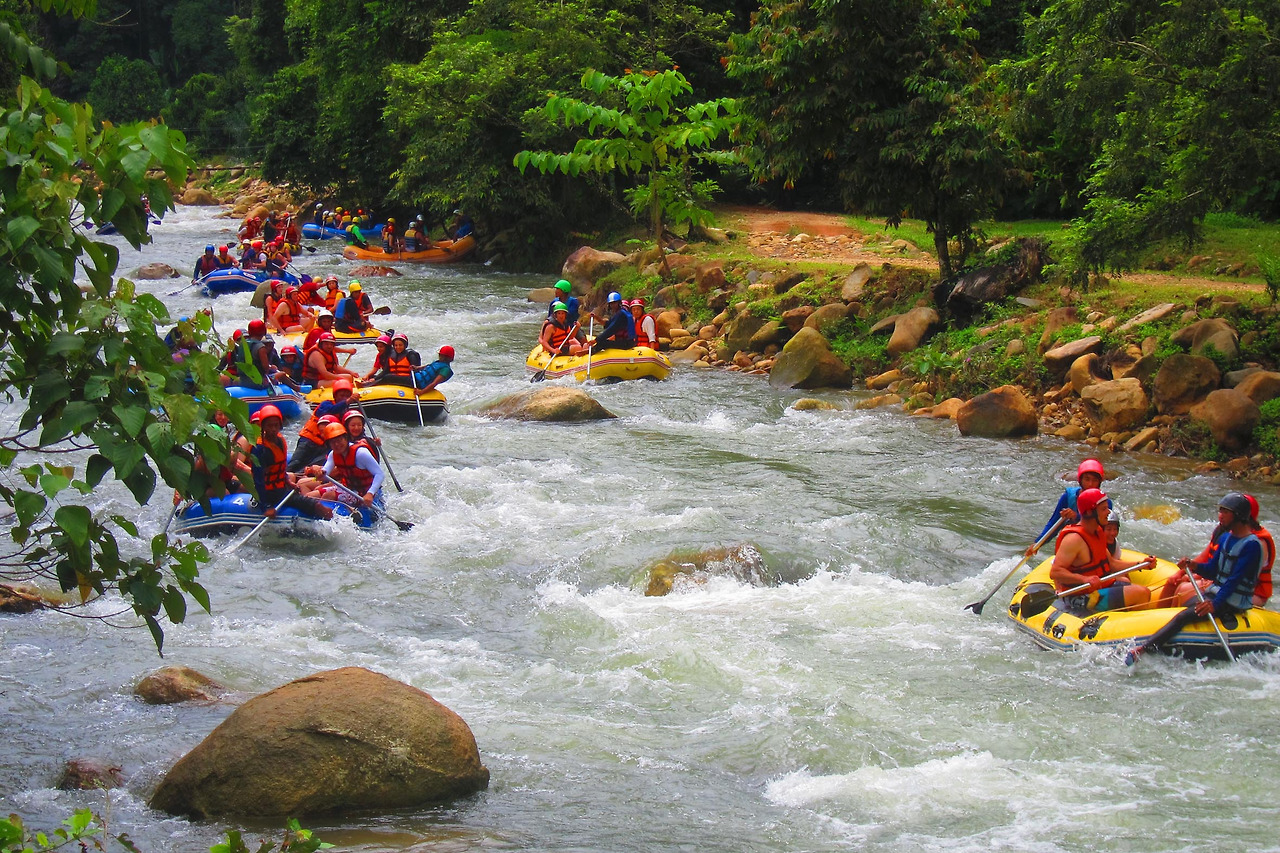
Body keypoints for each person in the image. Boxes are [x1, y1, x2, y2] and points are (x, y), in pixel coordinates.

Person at [1049, 488, 1155, 615]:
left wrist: (1142, 564)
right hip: (1080, 597)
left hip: (1098, 589)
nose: (1108, 512)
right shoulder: (1074, 539)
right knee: (1141, 592)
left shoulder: (1097, 532)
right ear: (1089, 512)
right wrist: (1084, 579)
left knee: (1126, 583)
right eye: (1103, 509)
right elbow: (1056, 572)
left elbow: (1112, 564)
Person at [1167, 492, 1265, 617]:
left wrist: (1215, 604)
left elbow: (1234, 580)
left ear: (1239, 515)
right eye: (1220, 511)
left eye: (1225, 512)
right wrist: (1191, 565)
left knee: (1183, 612)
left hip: (1234, 599)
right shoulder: (1225, 537)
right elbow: (1212, 570)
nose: (1220, 516)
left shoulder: (1254, 544)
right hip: (1217, 591)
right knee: (1182, 605)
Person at [251, 405, 332, 520]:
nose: (273, 429)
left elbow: (280, 468)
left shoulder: (279, 440)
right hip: (270, 494)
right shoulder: (259, 449)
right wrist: (266, 506)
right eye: (269, 425)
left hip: (281, 488)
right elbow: (258, 479)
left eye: (276, 425)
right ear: (263, 426)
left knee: (311, 502)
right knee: (317, 506)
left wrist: (288, 482)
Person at [300, 423, 384, 519]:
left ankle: (338, 514)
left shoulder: (361, 453)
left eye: (339, 440)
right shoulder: (333, 454)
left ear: (346, 438)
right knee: (309, 496)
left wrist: (370, 493)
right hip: (346, 488)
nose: (337, 445)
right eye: (333, 442)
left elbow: (380, 474)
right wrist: (319, 472)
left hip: (363, 492)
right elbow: (325, 472)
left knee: (328, 495)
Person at [1029, 459, 1106, 555]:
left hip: (1092, 547)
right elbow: (1053, 523)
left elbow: (1101, 529)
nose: (1090, 484)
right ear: (1080, 480)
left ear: (1099, 482)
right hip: (1071, 545)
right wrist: (1038, 543)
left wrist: (1076, 517)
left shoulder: (1104, 503)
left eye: (1094, 480)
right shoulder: (1068, 497)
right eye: (1087, 479)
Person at [289, 380, 359, 473]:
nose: (344, 398)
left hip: (323, 446)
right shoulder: (326, 404)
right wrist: (347, 401)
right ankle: (286, 478)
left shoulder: (345, 413)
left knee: (312, 467)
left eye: (346, 396)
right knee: (295, 463)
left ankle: (301, 479)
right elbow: (328, 412)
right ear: (335, 396)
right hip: (308, 440)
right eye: (341, 395)